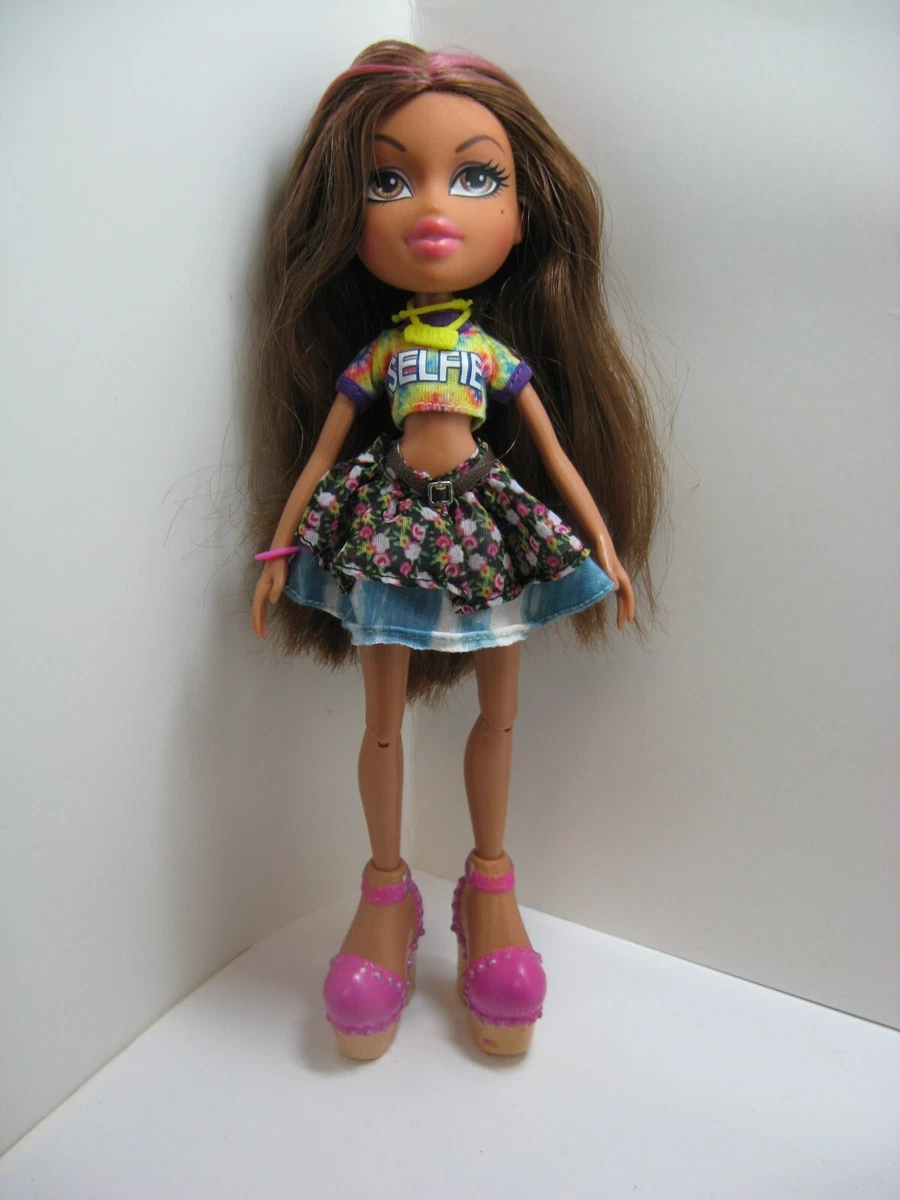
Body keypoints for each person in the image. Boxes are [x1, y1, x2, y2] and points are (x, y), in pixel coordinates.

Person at [249, 41, 663, 1059]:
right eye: (387, 181)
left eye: (476, 177)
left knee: (499, 712)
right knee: (382, 723)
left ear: (524, 215)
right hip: (389, 523)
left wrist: (605, 546)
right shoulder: (382, 355)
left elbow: (556, 457)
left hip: (482, 523)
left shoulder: (491, 356)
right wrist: (279, 552)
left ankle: (490, 889)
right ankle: (386, 896)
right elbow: (322, 456)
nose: (432, 207)